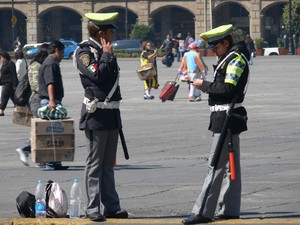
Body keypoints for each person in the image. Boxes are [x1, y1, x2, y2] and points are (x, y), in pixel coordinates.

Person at [182, 24, 250, 224]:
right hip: (227, 116)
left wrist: (204, 85)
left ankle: (203, 211)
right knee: (230, 167)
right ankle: (229, 208)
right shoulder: (229, 58)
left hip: (227, 117)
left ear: (226, 43)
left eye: (215, 46)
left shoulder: (235, 59)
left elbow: (228, 88)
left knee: (216, 166)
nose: (213, 50)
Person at [73, 12, 128, 222]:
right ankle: (92, 207)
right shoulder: (84, 52)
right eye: (110, 31)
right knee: (94, 163)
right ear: (101, 34)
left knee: (108, 164)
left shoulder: (105, 51)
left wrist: (107, 54)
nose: (114, 34)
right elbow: (96, 75)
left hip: (111, 112)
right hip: (95, 114)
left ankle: (112, 206)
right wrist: (105, 55)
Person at [15, 43, 49, 167]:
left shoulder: (41, 64)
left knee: (42, 128)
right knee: (40, 129)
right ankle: (26, 149)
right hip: (37, 99)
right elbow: (36, 86)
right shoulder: (36, 65)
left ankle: (39, 158)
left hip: (40, 98)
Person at [38, 40, 69, 171]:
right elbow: (50, 83)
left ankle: (56, 162)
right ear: (56, 50)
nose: (63, 55)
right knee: (52, 133)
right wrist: (52, 101)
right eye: (62, 52)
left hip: (52, 100)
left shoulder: (51, 62)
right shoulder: (51, 64)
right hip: (50, 101)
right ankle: (51, 163)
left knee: (57, 133)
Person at [0, 51, 18, 116]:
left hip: (9, 83)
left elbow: (14, 74)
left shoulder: (10, 64)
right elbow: (3, 75)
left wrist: (14, 85)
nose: (1, 59)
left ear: (5, 58)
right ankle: (19, 108)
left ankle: (1, 111)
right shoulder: (5, 64)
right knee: (13, 97)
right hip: (5, 83)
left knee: (4, 97)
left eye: (1, 58)